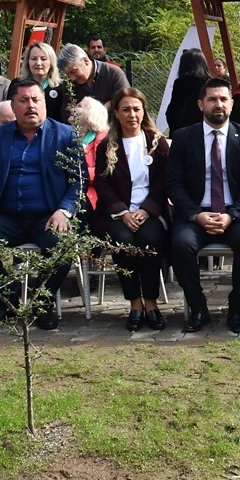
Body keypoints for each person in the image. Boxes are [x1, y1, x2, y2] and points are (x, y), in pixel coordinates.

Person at [0, 79, 82, 330]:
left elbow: (79, 182)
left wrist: (65, 210)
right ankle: (6, 306)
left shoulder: (66, 135)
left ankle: (42, 304)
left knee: (63, 244)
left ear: (43, 103)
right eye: (24, 100)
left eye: (36, 100)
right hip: (6, 217)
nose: (31, 105)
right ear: (12, 105)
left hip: (48, 216)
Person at [168, 77, 240, 334]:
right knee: (180, 245)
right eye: (212, 99)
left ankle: (236, 308)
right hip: (195, 214)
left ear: (232, 104)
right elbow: (174, 184)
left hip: (235, 214)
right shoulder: (183, 137)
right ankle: (199, 308)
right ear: (201, 104)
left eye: (223, 99)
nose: (218, 104)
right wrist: (196, 215)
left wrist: (232, 215)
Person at [93, 88, 171, 331]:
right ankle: (134, 304)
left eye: (136, 109)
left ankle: (151, 303)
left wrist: (147, 210)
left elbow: (165, 182)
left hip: (151, 212)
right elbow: (102, 184)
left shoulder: (157, 142)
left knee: (148, 241)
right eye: (125, 109)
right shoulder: (107, 145)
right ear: (116, 113)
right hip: (119, 214)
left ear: (144, 111)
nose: (132, 114)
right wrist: (123, 212)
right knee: (124, 241)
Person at [56, 43, 129, 106]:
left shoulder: (113, 73)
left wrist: (106, 108)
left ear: (85, 61)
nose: (72, 78)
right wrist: (71, 117)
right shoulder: (69, 83)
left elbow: (126, 102)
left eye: (73, 71)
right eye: (67, 74)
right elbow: (66, 109)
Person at [71, 96, 110, 211]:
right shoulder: (66, 135)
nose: (72, 109)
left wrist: (77, 172)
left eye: (79, 106)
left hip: (90, 192)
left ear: (91, 114)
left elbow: (104, 172)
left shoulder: (104, 140)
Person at [19, 42, 71, 123]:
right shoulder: (17, 85)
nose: (38, 63)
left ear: (51, 62)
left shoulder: (63, 87)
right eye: (33, 58)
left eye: (43, 59)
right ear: (28, 62)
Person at [165, 48, 213, 133]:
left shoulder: (181, 83)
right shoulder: (210, 83)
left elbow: (174, 110)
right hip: (207, 128)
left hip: (184, 129)